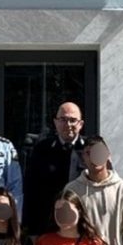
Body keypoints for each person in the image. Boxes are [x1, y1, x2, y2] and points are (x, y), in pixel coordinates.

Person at [23, 101, 85, 236]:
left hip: (82, 226)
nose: (68, 124)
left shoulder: (89, 150)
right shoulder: (42, 149)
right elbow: (31, 191)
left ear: (80, 124)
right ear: (55, 122)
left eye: (73, 120)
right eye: (63, 119)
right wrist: (31, 230)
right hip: (48, 226)